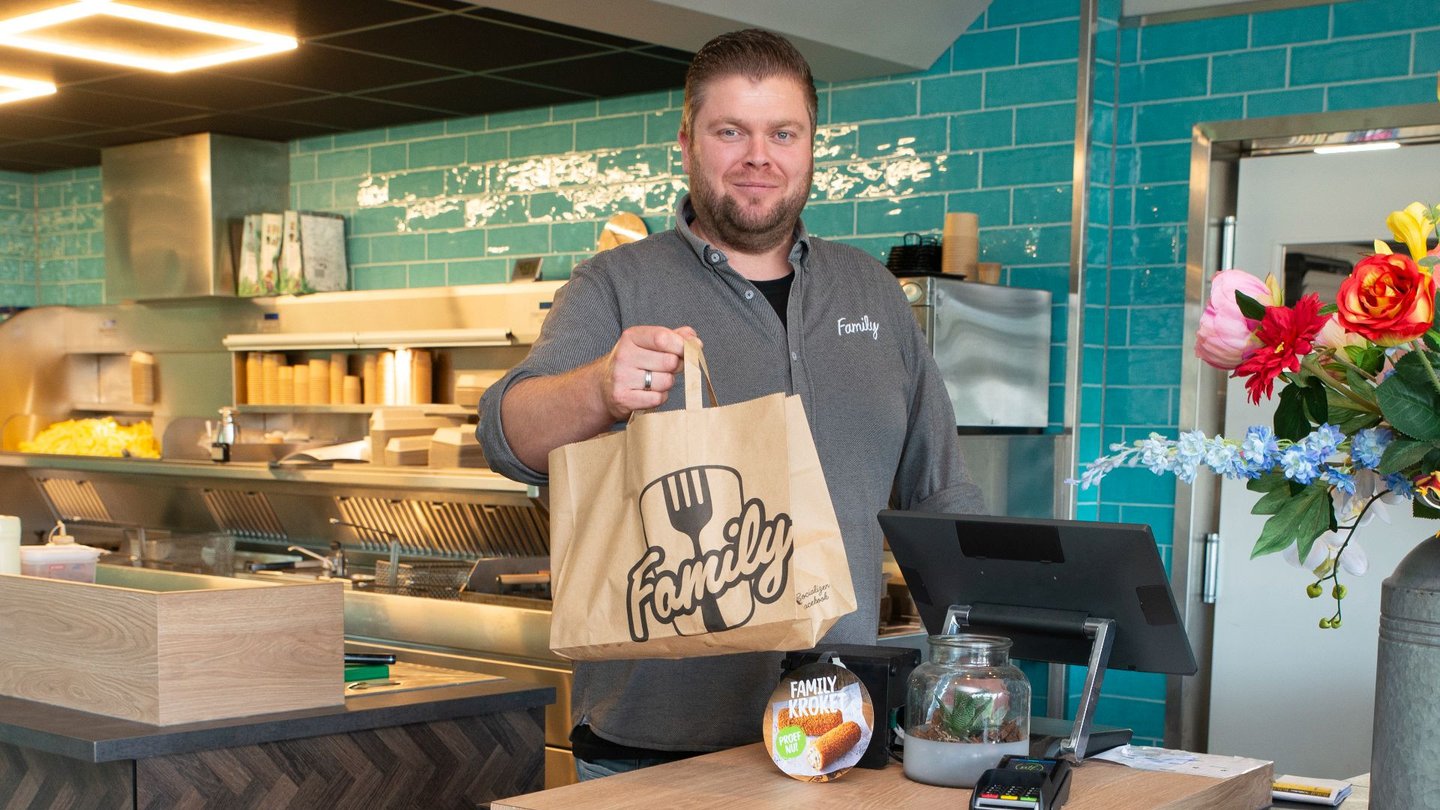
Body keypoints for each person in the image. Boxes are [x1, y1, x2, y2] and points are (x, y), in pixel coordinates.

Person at [477, 28, 983, 781]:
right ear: (686, 143)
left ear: (811, 146)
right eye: (730, 132)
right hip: (650, 749)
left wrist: (976, 664)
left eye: (783, 133)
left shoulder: (871, 291)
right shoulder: (614, 284)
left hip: (838, 736)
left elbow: (940, 496)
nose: (758, 156)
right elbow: (504, 435)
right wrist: (597, 388)